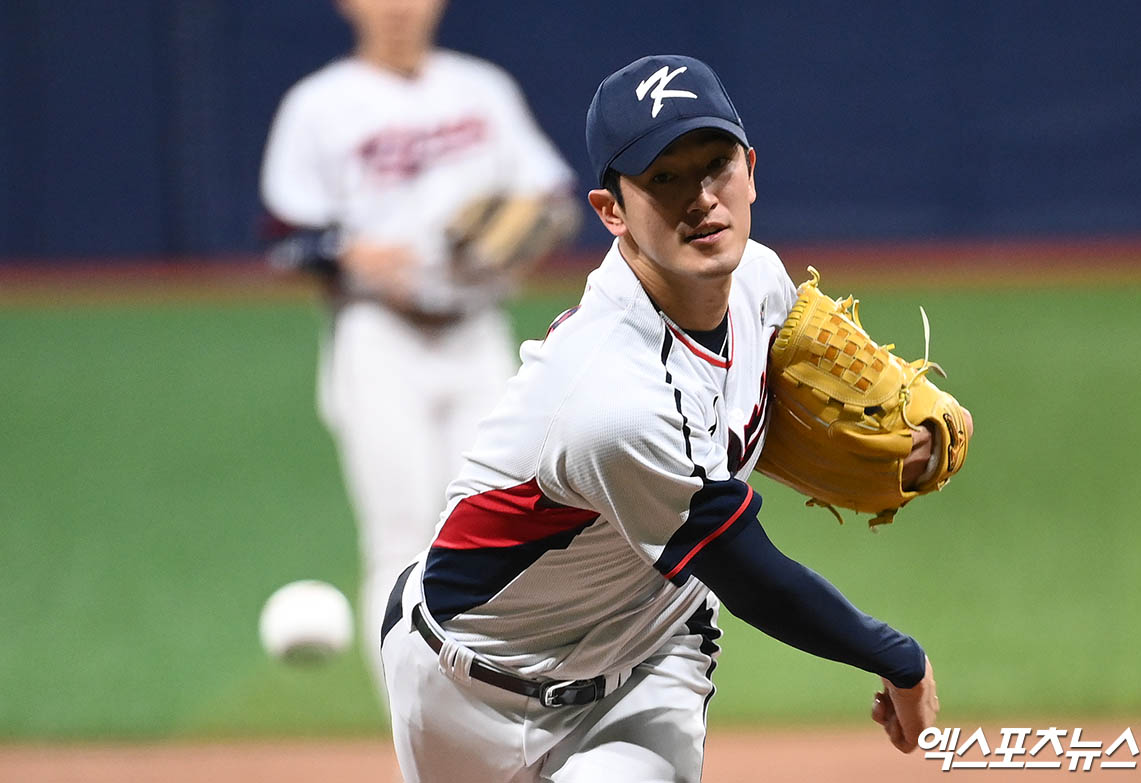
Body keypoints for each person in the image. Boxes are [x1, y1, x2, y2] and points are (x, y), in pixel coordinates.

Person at [380, 54, 967, 782]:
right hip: (465, 694)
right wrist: (898, 658)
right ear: (612, 210)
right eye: (665, 178)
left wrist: (898, 445)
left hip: (649, 664)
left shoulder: (760, 281)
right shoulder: (610, 394)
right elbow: (748, 571)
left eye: (716, 164)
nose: (702, 200)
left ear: (751, 169)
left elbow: (772, 409)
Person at [258, 0, 578, 699]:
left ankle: (500, 716)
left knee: (501, 526)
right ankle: (417, 731)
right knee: (400, 535)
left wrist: (523, 228)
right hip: (376, 338)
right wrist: (344, 251)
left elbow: (555, 198)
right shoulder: (318, 105)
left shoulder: (481, 89)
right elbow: (281, 233)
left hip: (477, 333)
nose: (398, 7)